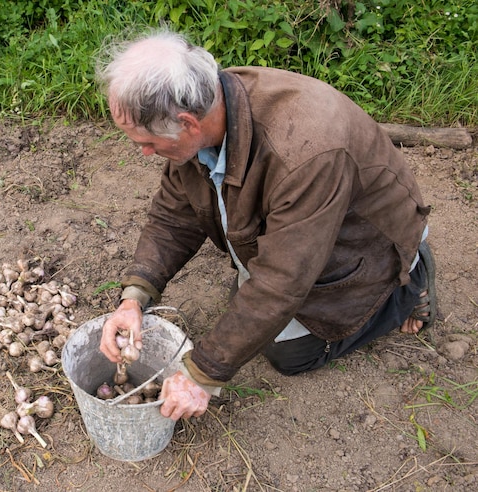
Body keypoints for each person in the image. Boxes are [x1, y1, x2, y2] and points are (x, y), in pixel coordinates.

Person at [95, 29, 436, 421]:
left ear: (187, 123)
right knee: (247, 310)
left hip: (367, 244)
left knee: (288, 352)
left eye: (148, 143)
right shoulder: (210, 105)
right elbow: (173, 216)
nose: (144, 152)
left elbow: (282, 281)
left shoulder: (305, 151)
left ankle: (409, 286)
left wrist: (201, 374)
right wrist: (134, 298)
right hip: (308, 231)